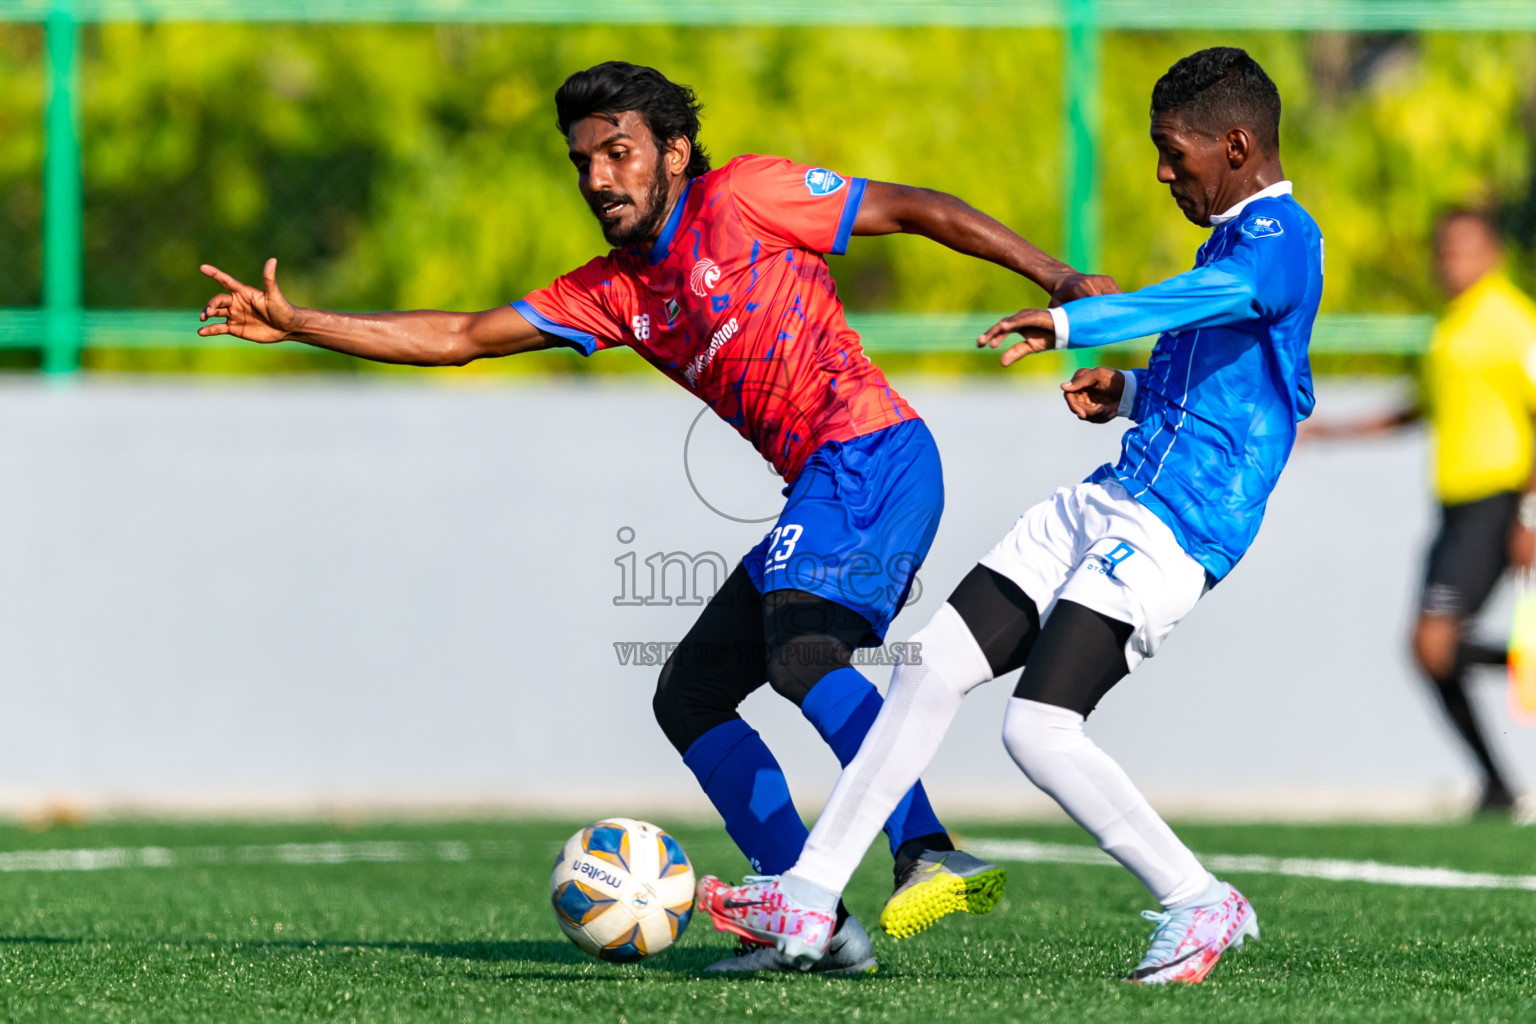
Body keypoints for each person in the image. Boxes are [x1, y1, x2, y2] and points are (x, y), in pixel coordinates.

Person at [195, 61, 1114, 973]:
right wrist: (308, 322)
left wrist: (1053, 272)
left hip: (873, 454)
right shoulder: (613, 290)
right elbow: (463, 337)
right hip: (827, 483)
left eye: (619, 152)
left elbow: (911, 207)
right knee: (690, 695)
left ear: (674, 152)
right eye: (582, 161)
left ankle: (926, 851)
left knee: (803, 654)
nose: (598, 178)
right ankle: (808, 919)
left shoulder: (747, 196)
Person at [699, 46, 1323, 985]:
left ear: (1236, 145)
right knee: (931, 668)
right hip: (1112, 495)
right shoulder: (1231, 236)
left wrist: (1070, 324)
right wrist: (1123, 396)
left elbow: (1208, 305)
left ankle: (1200, 902)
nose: (1161, 171)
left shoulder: (1281, 236)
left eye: (1172, 151)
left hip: (1177, 527)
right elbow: (1224, 392)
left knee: (1038, 730)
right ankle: (811, 891)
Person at [1307, 210, 1536, 814]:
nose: (1450, 262)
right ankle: (1495, 784)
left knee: (1432, 645)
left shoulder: (1512, 321)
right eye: (1443, 252)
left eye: (1464, 250)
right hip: (1455, 510)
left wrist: (1529, 516)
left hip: (1498, 503)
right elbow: (1424, 407)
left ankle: (1497, 780)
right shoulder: (1448, 327)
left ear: (1493, 254)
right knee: (1428, 652)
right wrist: (1336, 430)